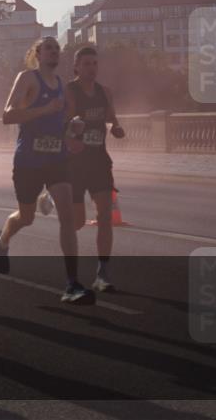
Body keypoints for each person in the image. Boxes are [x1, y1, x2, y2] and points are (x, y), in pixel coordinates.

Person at [0, 37, 95, 305]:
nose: (54, 51)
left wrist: (73, 127)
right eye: (49, 47)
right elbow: (7, 115)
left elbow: (59, 124)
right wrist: (44, 109)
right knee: (26, 218)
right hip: (28, 161)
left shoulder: (61, 85)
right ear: (38, 54)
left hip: (55, 159)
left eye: (57, 48)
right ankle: (2, 241)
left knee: (67, 216)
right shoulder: (27, 78)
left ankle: (72, 283)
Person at [66, 47, 125, 292]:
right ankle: (50, 195)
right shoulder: (70, 92)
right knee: (78, 221)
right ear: (76, 66)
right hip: (75, 164)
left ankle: (103, 273)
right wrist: (72, 135)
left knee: (105, 216)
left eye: (95, 63)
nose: (92, 68)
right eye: (87, 63)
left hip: (100, 161)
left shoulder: (105, 92)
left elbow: (112, 118)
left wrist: (117, 128)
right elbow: (62, 124)